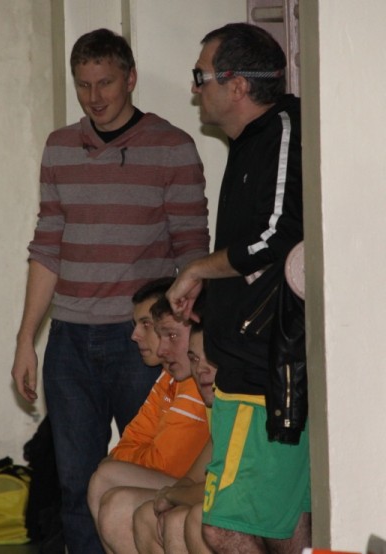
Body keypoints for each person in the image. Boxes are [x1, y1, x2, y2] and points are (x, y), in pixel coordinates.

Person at [11, 27, 210, 553]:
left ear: (131, 79)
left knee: (155, 478)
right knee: (75, 485)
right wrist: (26, 339)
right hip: (70, 340)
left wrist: (182, 339)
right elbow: (46, 248)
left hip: (141, 342)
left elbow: (193, 253)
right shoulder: (60, 148)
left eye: (105, 83)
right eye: (83, 85)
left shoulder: (172, 147)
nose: (94, 97)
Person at [166, 23, 310, 553]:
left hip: (265, 369)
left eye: (201, 76)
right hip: (242, 366)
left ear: (238, 85)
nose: (194, 88)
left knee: (223, 528)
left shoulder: (282, 131)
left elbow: (278, 235)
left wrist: (198, 270)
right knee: (286, 528)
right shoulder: (250, 141)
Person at [88, 279, 209, 553]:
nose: (135, 335)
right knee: (107, 480)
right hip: (186, 484)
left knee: (107, 479)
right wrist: (126, 460)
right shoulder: (169, 377)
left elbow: (165, 463)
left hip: (194, 486)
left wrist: (124, 462)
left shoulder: (198, 380)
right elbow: (131, 440)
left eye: (147, 325)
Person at [132, 319, 217, 554]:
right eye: (194, 359)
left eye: (211, 359)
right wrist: (173, 496)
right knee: (148, 514)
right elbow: (192, 478)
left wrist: (172, 496)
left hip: (275, 516)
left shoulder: (247, 406)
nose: (201, 369)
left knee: (190, 517)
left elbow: (219, 490)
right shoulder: (219, 409)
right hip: (204, 494)